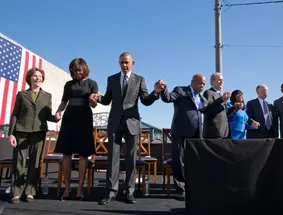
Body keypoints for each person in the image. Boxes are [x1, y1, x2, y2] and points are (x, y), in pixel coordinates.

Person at [90, 52, 162, 205]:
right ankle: (111, 192)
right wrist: (98, 98)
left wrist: (155, 93)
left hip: (132, 122)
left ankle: (129, 192)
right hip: (115, 122)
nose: (124, 65)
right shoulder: (112, 79)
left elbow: (146, 101)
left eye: (126, 62)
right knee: (113, 159)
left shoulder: (140, 80)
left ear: (132, 63)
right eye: (121, 62)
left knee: (131, 159)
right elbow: (107, 99)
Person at [159, 74, 227, 200]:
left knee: (192, 161)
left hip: (196, 134)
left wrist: (221, 101)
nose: (202, 86)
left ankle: (191, 187)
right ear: (193, 81)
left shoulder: (201, 99)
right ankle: (181, 189)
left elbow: (209, 110)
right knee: (179, 161)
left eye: (204, 84)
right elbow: (168, 98)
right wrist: (163, 89)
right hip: (180, 132)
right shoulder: (180, 90)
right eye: (200, 83)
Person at [8, 67, 58, 204]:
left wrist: (56, 118)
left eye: (40, 76)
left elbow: (47, 115)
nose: (38, 78)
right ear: (29, 78)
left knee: (35, 162)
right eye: (35, 76)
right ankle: (16, 193)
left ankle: (29, 192)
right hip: (21, 132)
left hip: (39, 132)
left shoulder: (47, 96)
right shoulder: (22, 94)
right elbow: (15, 114)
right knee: (19, 162)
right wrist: (11, 134)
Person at [54, 58, 98, 200]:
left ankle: (79, 189)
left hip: (84, 118)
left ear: (84, 69)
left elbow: (94, 105)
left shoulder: (92, 83)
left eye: (79, 70)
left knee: (83, 155)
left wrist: (93, 100)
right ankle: (67, 188)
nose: (77, 72)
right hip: (69, 118)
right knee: (66, 154)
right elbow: (64, 101)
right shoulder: (68, 84)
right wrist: (59, 111)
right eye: (74, 70)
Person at [203, 72, 231, 138]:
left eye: (222, 80)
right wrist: (222, 100)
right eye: (219, 80)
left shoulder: (220, 95)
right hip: (214, 132)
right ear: (212, 81)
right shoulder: (208, 92)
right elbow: (209, 110)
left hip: (224, 132)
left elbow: (224, 113)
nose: (221, 82)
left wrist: (234, 108)